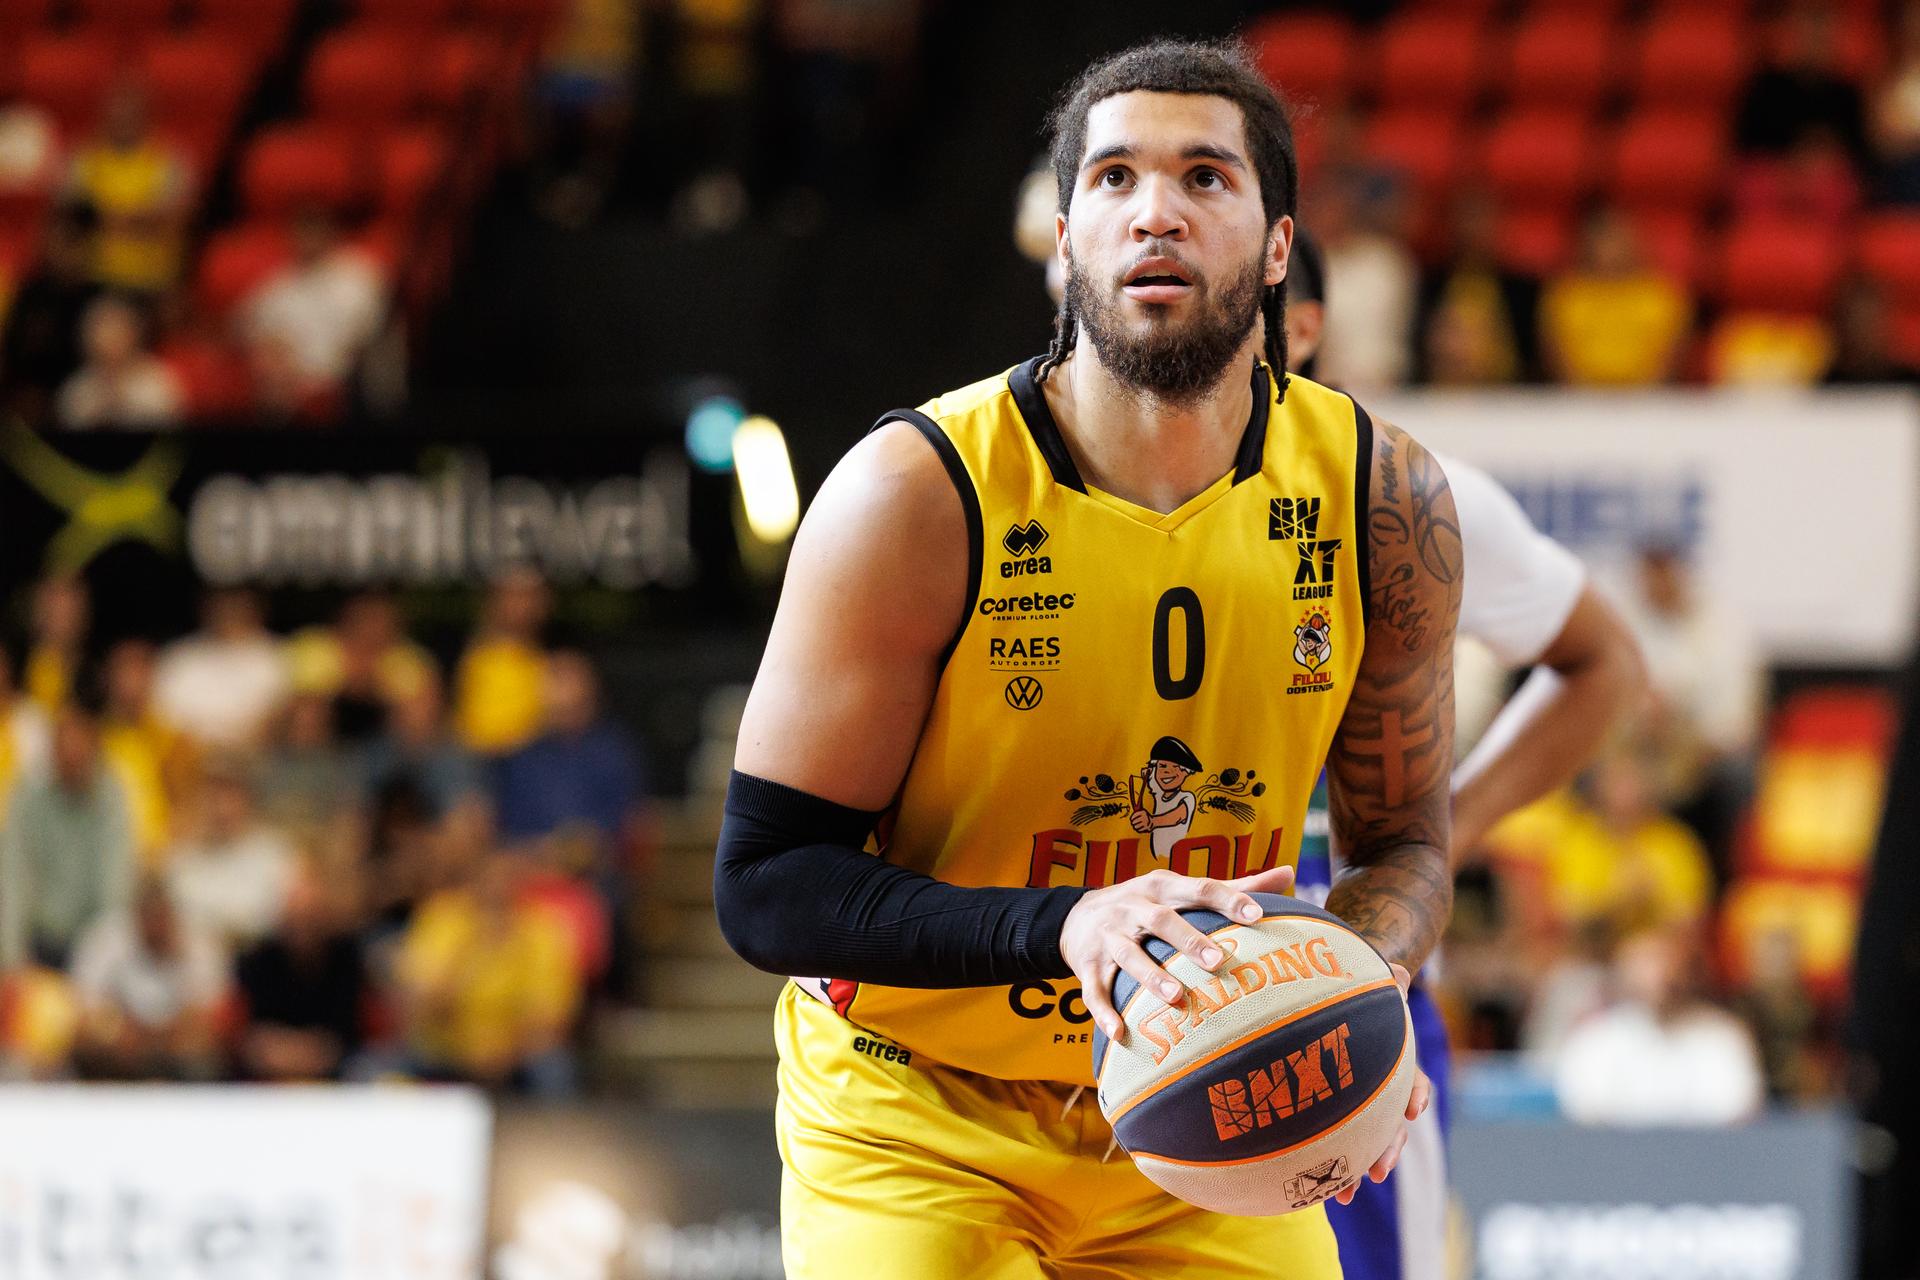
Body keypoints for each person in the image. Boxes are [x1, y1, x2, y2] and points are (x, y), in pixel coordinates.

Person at [716, 40, 1462, 1277]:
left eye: (1205, 178)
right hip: (918, 1112)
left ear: (1280, 246)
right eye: (1114, 179)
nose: (1155, 210)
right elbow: (764, 883)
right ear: (1063, 239)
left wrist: (1346, 1002)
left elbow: (1405, 846)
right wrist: (1067, 925)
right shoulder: (916, 490)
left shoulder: (1384, 495)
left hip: (1205, 1092)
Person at [1285, 227, 1645, 1280]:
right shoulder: (1084, 499)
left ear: (1297, 327)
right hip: (1127, 1009)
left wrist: (1445, 829)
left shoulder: (1404, 490)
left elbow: (1605, 662)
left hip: (1349, 1015)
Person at [1554, 924, 1764, 1127]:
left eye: (1667, 965)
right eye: (1646, 965)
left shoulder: (1722, 1036)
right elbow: (1585, 1109)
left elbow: (1736, 1108)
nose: (1659, 979)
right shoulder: (1596, 1038)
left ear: (1688, 972)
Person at [0, 704, 135, 971]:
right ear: (52, 755)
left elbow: (114, 889)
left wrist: (102, 965)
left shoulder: (112, 799)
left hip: (92, 943)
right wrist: (12, 959)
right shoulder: (28, 795)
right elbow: (13, 877)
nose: (72, 764)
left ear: (96, 754)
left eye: (80, 758)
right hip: (38, 937)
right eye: (65, 758)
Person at [69, 875, 226, 1081]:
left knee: (205, 1050)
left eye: (162, 918)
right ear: (136, 917)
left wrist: (169, 1034)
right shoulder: (107, 937)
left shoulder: (199, 942)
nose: (156, 927)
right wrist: (119, 1027)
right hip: (121, 1038)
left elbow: (212, 1006)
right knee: (88, 1046)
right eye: (149, 919)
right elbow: (83, 1000)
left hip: (178, 1042)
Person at [165, 754, 299, 952]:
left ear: (248, 798)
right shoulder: (180, 861)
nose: (220, 806)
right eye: (211, 794)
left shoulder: (277, 856)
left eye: (230, 794)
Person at [152, 588, 290, 750]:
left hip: (262, 761)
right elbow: (162, 721)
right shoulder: (179, 658)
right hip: (191, 761)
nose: (230, 611)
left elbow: (281, 720)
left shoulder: (279, 657)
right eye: (223, 602)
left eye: (237, 602)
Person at [55, 294, 185, 428]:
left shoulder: (159, 380)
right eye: (102, 330)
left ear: (133, 334)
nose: (110, 340)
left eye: (117, 329)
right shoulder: (77, 388)